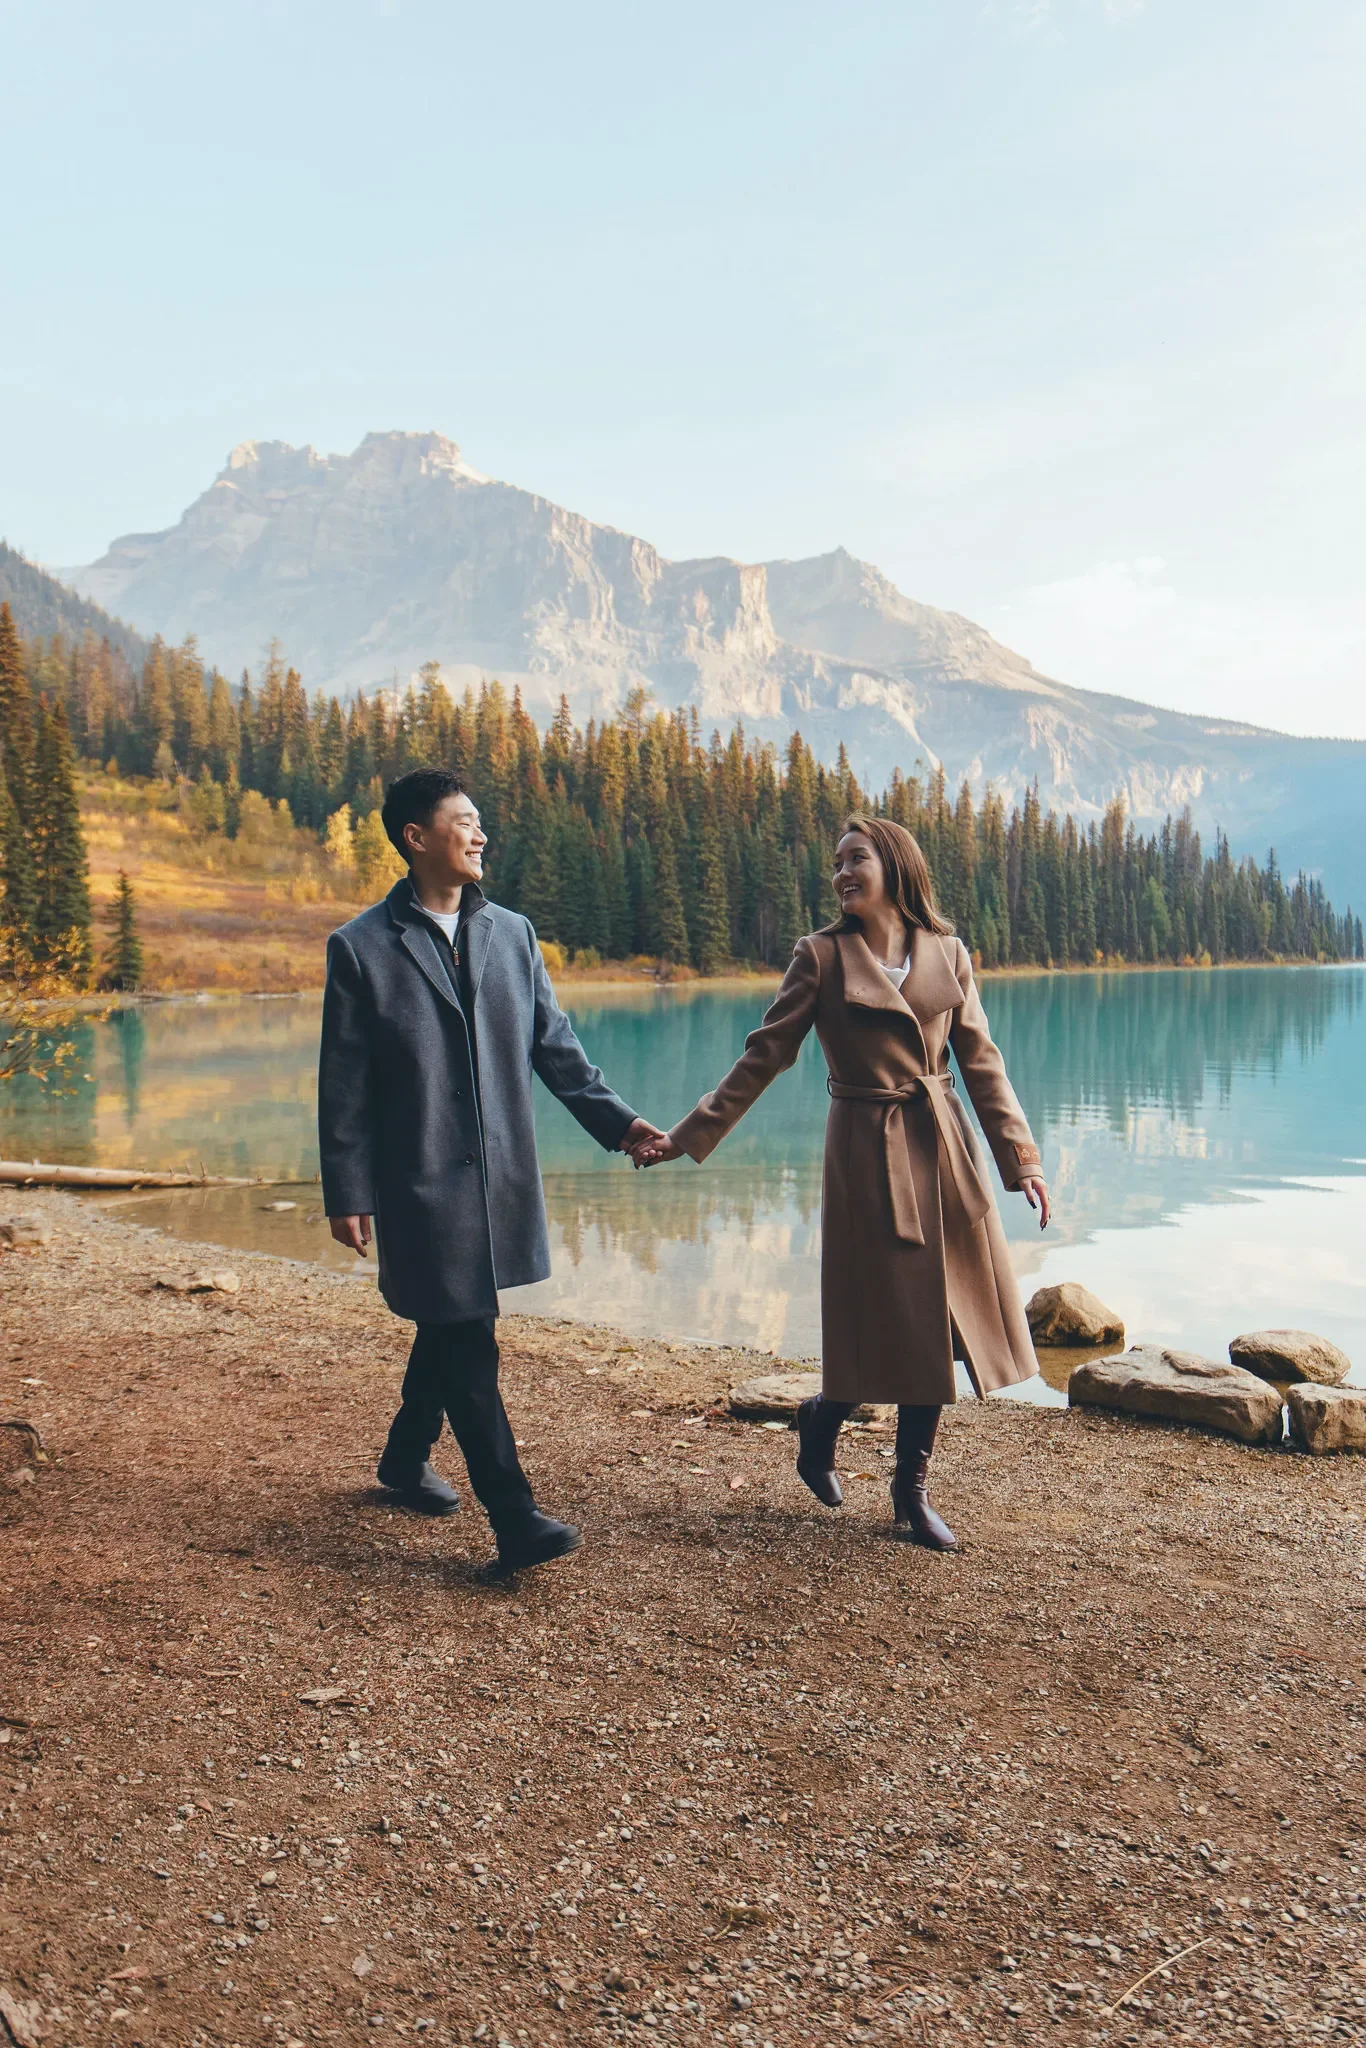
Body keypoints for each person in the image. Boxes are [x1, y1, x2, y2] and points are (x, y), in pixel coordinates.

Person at [632, 814, 1049, 1551]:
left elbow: (983, 1064)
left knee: (945, 1323)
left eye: (856, 858)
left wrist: (1024, 1163)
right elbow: (763, 1057)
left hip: (944, 1148)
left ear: (895, 865)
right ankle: (824, 1415)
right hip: (867, 1152)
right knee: (878, 1321)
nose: (842, 872)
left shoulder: (948, 954)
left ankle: (909, 1494)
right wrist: (687, 1136)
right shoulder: (820, 957)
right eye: (836, 863)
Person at [318, 767, 660, 1576]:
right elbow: (345, 1086)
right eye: (464, 822)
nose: (480, 836)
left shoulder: (512, 933)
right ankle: (515, 1518)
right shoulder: (361, 947)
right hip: (419, 1182)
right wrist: (347, 1190)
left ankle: (404, 1461)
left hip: (499, 1177)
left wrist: (622, 1126)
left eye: (479, 823)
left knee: (452, 1322)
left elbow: (557, 1050)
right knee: (468, 1337)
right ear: (416, 838)